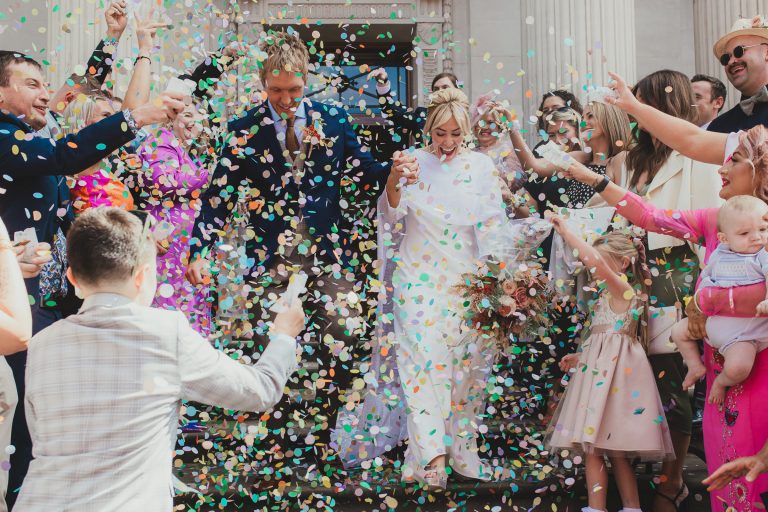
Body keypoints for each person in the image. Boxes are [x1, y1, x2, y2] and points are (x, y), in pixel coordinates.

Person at [186, 30, 395, 472]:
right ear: (264, 83)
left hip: (328, 257)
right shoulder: (243, 129)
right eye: (276, 90)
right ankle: (277, 446)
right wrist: (198, 249)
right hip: (270, 260)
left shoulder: (335, 121)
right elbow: (219, 198)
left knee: (345, 339)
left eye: (295, 90)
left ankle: (322, 439)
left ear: (307, 80)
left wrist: (403, 166)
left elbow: (366, 176)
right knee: (272, 350)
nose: (286, 99)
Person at [14, 207, 303, 510]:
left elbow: (41, 435)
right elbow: (260, 391)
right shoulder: (167, 332)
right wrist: (284, 335)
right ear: (142, 275)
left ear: (72, 276)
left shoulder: (41, 343)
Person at [0, 49, 182, 504]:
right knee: (26, 416)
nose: (46, 94)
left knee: (39, 416)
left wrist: (115, 40)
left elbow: (76, 90)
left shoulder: (29, 132)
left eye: (45, 84)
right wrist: (136, 116)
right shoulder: (4, 137)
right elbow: (65, 155)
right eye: (31, 84)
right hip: (13, 309)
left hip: (47, 299)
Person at [560, 117, 768, 510]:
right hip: (720, 360)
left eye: (734, 160)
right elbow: (650, 217)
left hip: (760, 363)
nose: (720, 169)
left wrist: (707, 302)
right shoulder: (713, 219)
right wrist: (598, 182)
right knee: (726, 466)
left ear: (759, 167)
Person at [380, 87, 507, 489]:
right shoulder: (412, 161)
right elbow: (391, 212)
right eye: (440, 133)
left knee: (463, 371)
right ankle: (430, 455)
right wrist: (394, 179)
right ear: (429, 129)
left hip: (465, 280)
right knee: (420, 362)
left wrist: (496, 281)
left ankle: (459, 449)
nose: (448, 142)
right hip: (417, 277)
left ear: (467, 130)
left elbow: (492, 224)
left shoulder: (482, 167)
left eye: (455, 133)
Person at [545, 219, 673, 512]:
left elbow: (616, 338)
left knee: (600, 450)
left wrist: (567, 233)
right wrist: (580, 357)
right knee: (607, 451)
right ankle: (627, 507)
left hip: (616, 378)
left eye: (601, 261)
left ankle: (600, 508)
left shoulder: (623, 289)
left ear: (624, 263)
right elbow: (605, 336)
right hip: (601, 371)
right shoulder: (608, 294)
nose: (594, 268)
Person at [672, 196, 768, 404]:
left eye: (763, 229)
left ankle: (721, 382)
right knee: (677, 332)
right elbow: (706, 278)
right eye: (744, 233)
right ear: (724, 238)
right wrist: (699, 302)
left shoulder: (761, 255)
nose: (756, 238)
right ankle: (695, 366)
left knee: (738, 367)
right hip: (711, 323)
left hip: (742, 336)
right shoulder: (719, 254)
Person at [138, 99, 213, 335]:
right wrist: (209, 177)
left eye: (198, 118)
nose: (195, 123)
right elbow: (164, 181)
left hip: (183, 246)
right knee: (169, 312)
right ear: (170, 117)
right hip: (168, 244)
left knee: (186, 309)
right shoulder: (160, 141)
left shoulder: (184, 150)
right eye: (188, 115)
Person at [470, 95, 533, 217]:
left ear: (500, 126)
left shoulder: (509, 149)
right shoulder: (469, 152)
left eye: (490, 123)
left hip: (505, 210)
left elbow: (513, 180)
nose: (484, 127)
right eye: (480, 122)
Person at [369, 68, 460, 151]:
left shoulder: (465, 119)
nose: (440, 91)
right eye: (436, 89)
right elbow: (392, 111)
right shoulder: (422, 115)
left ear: (456, 90)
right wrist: (383, 82)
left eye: (445, 87)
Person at [708, 15, 768, 133]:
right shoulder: (718, 127)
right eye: (725, 58)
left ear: (766, 53)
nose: (731, 62)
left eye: (739, 51)